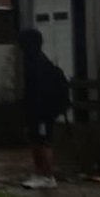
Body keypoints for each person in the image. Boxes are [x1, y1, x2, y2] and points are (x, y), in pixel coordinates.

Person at [20, 28, 64, 189]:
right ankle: (39, 174)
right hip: (35, 111)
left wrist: (37, 110)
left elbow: (38, 90)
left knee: (43, 143)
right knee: (35, 142)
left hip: (42, 112)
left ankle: (48, 176)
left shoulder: (38, 63)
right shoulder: (33, 61)